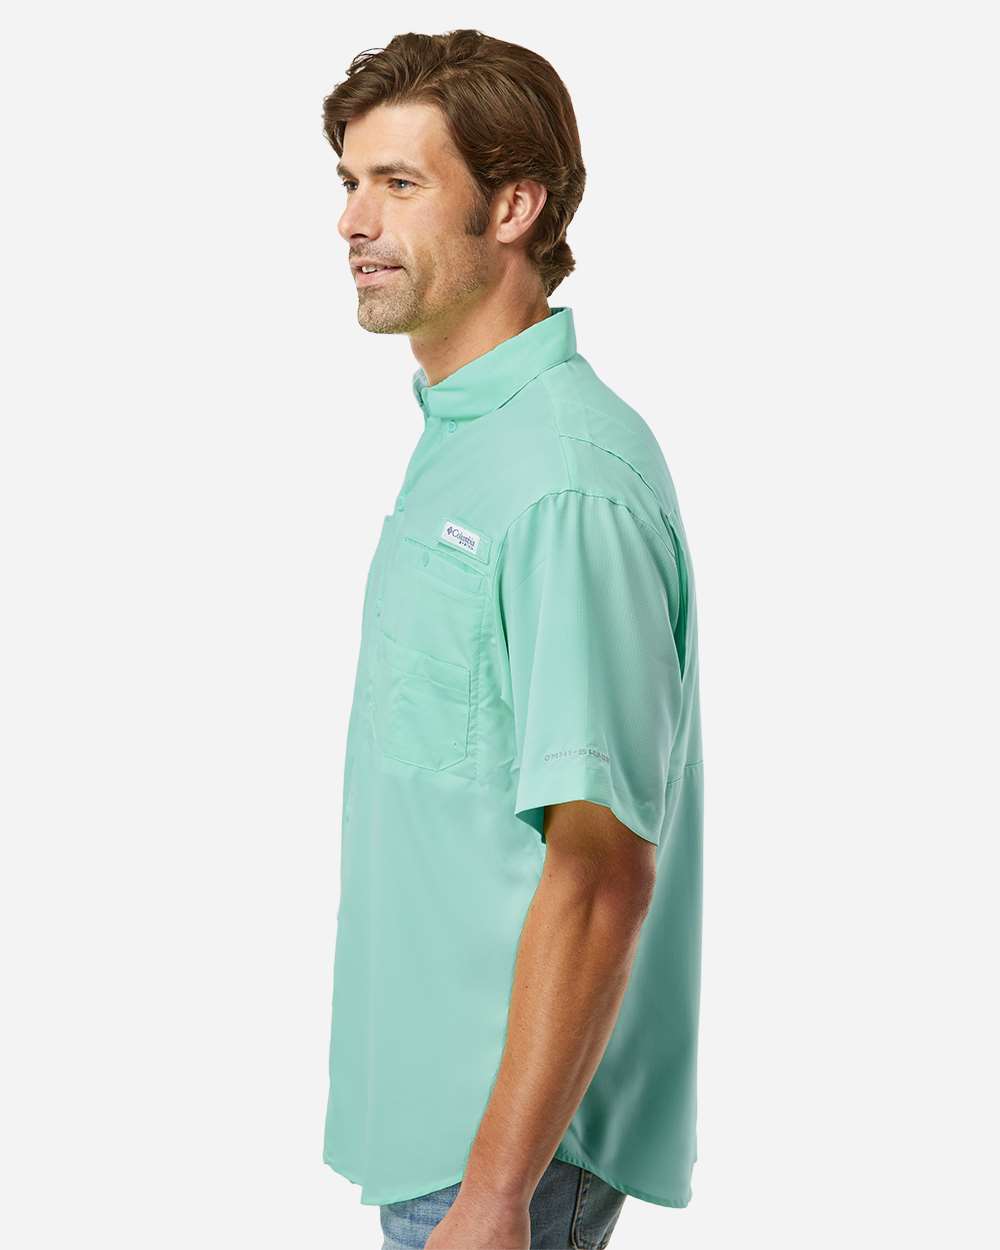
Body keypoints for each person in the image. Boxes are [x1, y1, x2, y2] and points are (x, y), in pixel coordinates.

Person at [320, 29, 703, 1250]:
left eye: (399, 182)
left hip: (508, 1157)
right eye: (350, 181)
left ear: (513, 206)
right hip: (437, 1128)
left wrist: (492, 1196)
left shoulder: (560, 481)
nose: (352, 221)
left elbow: (601, 867)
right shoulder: (469, 438)